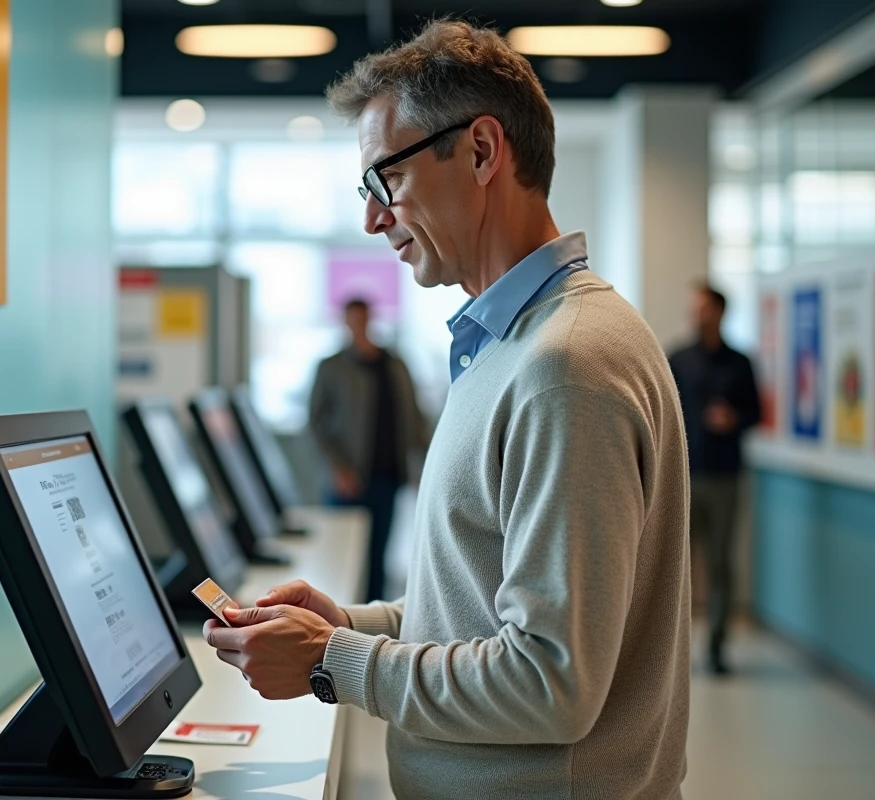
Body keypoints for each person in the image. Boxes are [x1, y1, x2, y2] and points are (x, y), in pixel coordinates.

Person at [204, 20, 690, 800]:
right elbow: (483, 604)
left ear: (481, 151)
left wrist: (332, 661)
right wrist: (345, 627)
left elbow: (550, 680)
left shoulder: (566, 365)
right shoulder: (509, 346)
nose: (373, 218)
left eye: (383, 180)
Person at [308, 298, 428, 602]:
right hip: (349, 479)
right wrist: (339, 468)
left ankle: (369, 627)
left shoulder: (394, 363)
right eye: (352, 319)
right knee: (345, 559)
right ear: (345, 322)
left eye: (363, 318)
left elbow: (413, 416)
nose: (358, 325)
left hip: (387, 475)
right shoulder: (332, 366)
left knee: (378, 556)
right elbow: (316, 423)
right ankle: (338, 622)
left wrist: (423, 468)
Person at [668, 284, 761, 675]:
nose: (697, 313)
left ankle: (718, 647)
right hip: (684, 477)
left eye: (704, 307)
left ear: (721, 312)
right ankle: (673, 652)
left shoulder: (740, 363)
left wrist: (734, 419)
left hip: (725, 478)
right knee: (678, 568)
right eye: (694, 307)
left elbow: (756, 412)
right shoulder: (678, 358)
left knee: (721, 563)